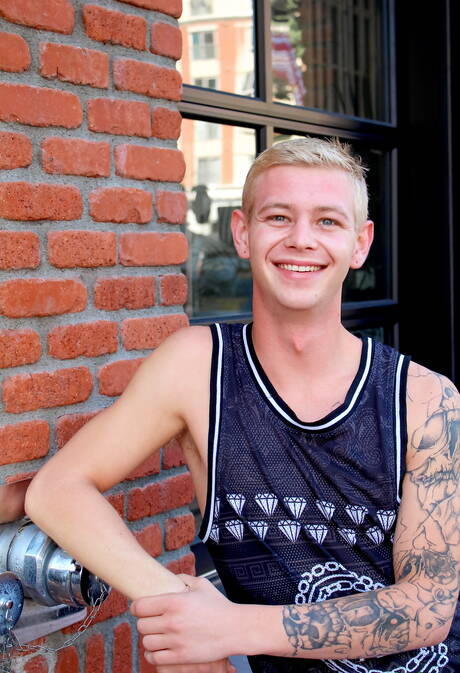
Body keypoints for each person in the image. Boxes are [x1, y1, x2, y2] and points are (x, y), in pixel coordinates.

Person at [25, 138, 460, 673]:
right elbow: (57, 489)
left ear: (360, 244)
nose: (302, 239)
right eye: (279, 217)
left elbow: (429, 607)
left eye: (328, 221)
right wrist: (177, 609)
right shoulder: (198, 368)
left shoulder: (425, 399)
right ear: (242, 233)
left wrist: (228, 628)